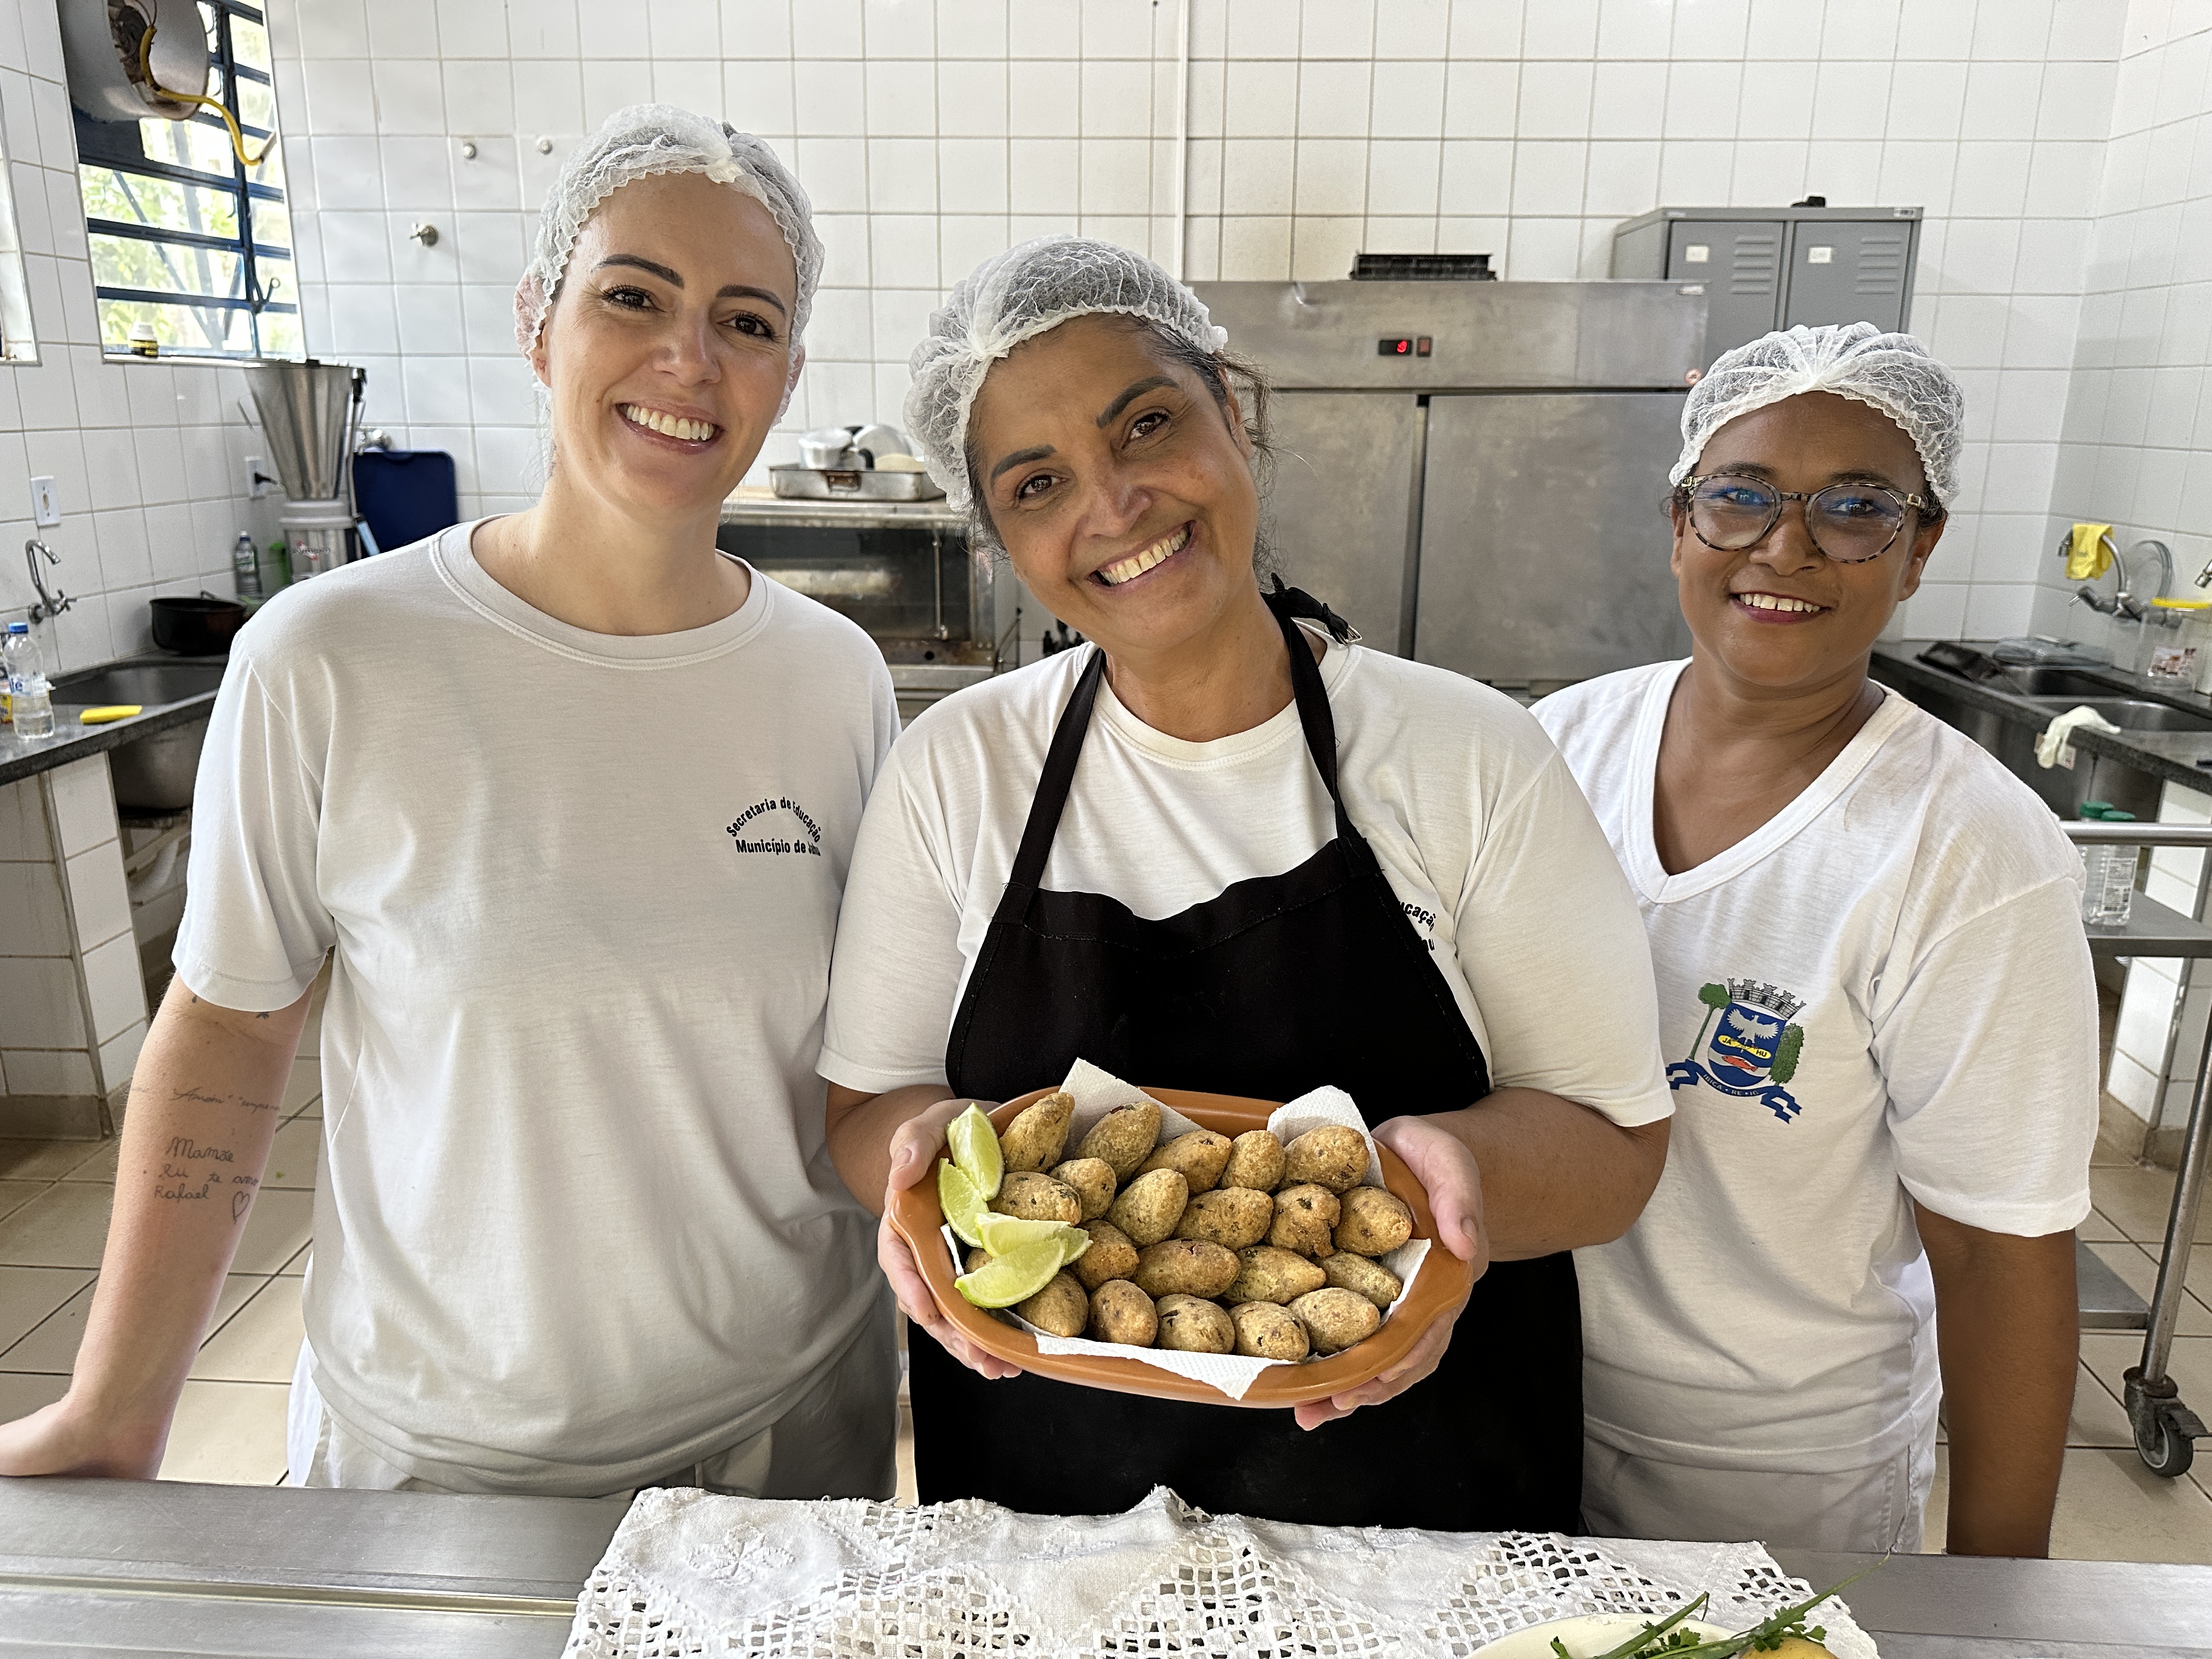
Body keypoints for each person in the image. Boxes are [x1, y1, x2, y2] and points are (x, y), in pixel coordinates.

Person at [0, 105, 903, 1498]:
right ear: (540, 324)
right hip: (448, 1461)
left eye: (749, 319)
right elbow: (233, 1031)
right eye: (634, 297)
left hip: (790, 1428)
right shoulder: (332, 657)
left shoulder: (834, 680)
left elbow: (862, 1054)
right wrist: (117, 1405)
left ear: (788, 376)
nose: (689, 359)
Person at [817, 235, 1675, 1531]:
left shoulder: (1467, 752)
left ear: (1238, 412)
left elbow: (1614, 1152)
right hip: (1050, 1507)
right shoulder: (959, 769)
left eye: (1147, 425)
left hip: (1418, 1488)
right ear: (996, 538)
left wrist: (1455, 1184)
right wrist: (925, 1164)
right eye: (1039, 482)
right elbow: (864, 1110)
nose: (1112, 507)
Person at [1532, 323, 2097, 1555]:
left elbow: (1999, 1251)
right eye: (1740, 497)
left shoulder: (1965, 853)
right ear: (1681, 520)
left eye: (1856, 509)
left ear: (1920, 546)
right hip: (1513, 1402)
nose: (1783, 549)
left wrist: (1999, 1603)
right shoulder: (1556, 753)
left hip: (1779, 1470)